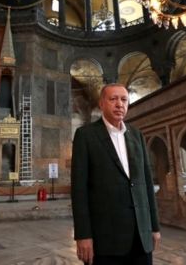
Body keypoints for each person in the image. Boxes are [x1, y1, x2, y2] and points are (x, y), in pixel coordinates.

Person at [71, 83, 161, 265]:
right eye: (113, 99)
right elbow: (79, 191)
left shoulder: (137, 135)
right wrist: (83, 235)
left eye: (124, 99)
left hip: (140, 237)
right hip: (105, 239)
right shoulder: (85, 136)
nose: (119, 104)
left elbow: (146, 184)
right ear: (102, 104)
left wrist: (154, 226)